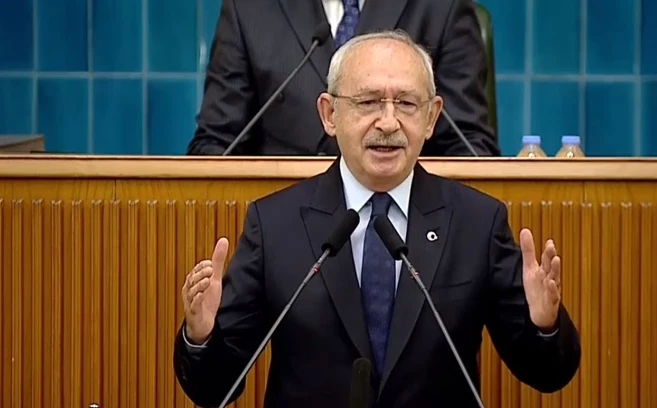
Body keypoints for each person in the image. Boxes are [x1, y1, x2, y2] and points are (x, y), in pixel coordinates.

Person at [174, 31, 580, 407]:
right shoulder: (275, 224)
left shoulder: (477, 223)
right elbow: (215, 387)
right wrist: (201, 336)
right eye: (368, 102)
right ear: (330, 114)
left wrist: (544, 326)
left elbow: (547, 374)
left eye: (406, 104)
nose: (388, 123)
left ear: (431, 118)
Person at [186, 0, 500, 157]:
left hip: (405, 230)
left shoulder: (442, 6)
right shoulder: (249, 8)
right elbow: (217, 144)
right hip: (284, 230)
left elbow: (468, 147)